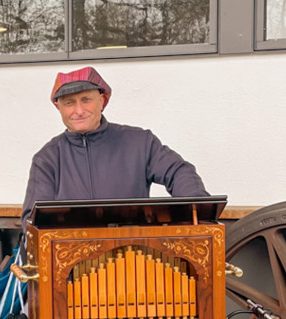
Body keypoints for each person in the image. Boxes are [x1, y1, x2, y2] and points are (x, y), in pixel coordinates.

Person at [20, 67, 209, 226]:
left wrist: (197, 213)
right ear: (59, 108)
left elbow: (178, 171)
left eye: (86, 100)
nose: (79, 111)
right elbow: (32, 220)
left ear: (102, 101)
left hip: (135, 252)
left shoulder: (140, 142)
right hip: (72, 257)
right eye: (69, 103)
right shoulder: (47, 159)